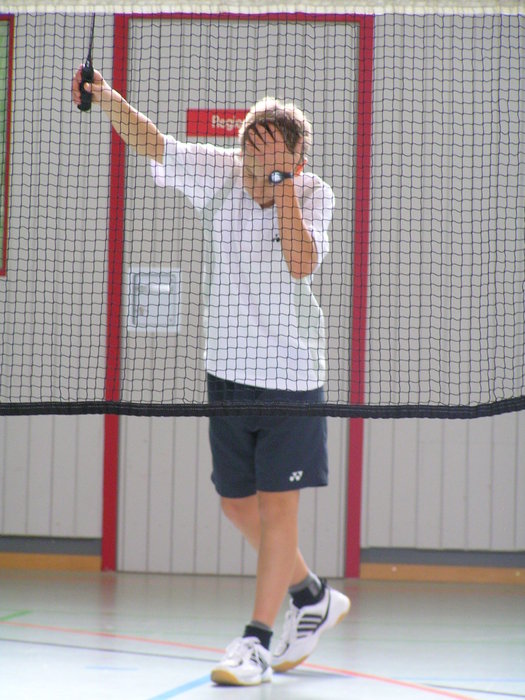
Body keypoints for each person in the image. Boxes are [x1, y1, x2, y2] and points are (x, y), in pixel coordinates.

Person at [72, 65, 351, 687]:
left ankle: (255, 643)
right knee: (235, 504)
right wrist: (108, 98)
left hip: (289, 375)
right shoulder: (218, 173)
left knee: (278, 512)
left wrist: (281, 186)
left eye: (270, 154)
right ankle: (312, 597)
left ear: (296, 160)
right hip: (225, 370)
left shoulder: (315, 195)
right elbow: (153, 142)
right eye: (250, 149)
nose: (254, 162)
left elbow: (301, 263)